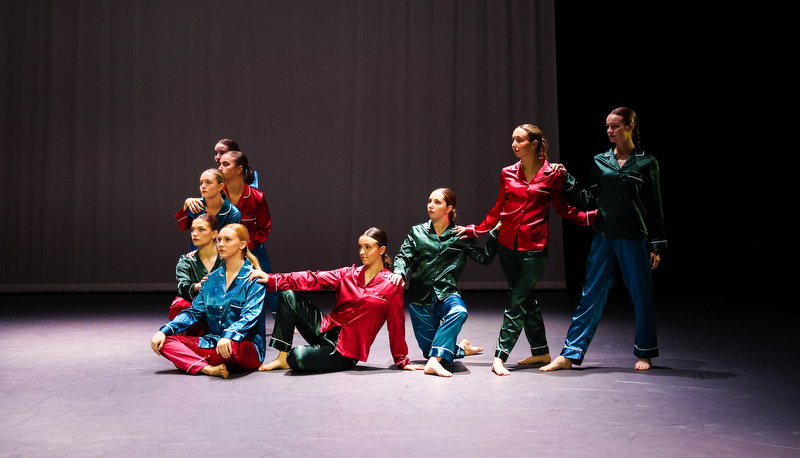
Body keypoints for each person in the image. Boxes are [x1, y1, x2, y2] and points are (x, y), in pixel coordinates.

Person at [456, 124, 595, 376]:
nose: (513, 144)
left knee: (515, 301)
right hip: (507, 245)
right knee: (526, 299)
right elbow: (498, 210)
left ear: (534, 144)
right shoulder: (507, 173)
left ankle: (500, 356)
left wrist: (592, 217)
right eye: (512, 140)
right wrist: (474, 230)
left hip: (534, 249)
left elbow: (563, 208)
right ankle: (541, 350)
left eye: (519, 140)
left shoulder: (553, 174)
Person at [541, 107, 666, 372]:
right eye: (607, 127)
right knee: (591, 294)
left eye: (616, 126)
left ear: (630, 126)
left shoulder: (647, 162)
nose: (610, 131)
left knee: (641, 295)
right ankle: (570, 353)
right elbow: (589, 198)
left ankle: (645, 352)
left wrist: (657, 245)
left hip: (634, 237)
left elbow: (654, 206)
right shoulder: (601, 160)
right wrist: (567, 180)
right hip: (604, 235)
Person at [253, 227, 424, 374]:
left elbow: (396, 324)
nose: (362, 252)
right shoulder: (349, 274)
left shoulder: (391, 286)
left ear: (381, 250)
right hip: (325, 329)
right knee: (289, 295)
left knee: (297, 356)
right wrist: (272, 279)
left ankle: (295, 356)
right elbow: (313, 278)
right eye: (360, 247)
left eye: (368, 247)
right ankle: (282, 356)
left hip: (345, 351)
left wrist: (402, 359)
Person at [391, 188, 497, 377]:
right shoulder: (417, 232)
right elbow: (403, 256)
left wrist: (495, 234)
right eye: (429, 201)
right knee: (433, 351)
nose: (431, 205)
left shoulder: (460, 234)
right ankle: (462, 347)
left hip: (446, 293)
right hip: (419, 298)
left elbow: (484, 258)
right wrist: (399, 272)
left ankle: (432, 363)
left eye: (437, 202)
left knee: (459, 312)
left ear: (449, 208)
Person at [151, 224, 267, 378]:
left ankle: (194, 361)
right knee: (165, 342)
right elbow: (193, 312)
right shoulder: (212, 279)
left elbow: (251, 315)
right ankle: (207, 368)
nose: (221, 244)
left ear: (242, 244)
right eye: (219, 240)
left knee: (229, 348)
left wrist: (229, 335)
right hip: (213, 343)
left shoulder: (254, 278)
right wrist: (164, 330)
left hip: (243, 345)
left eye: (227, 240)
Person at [186, 151, 278, 316]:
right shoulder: (216, 192)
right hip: (219, 248)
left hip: (251, 247)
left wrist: (244, 247)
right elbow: (201, 221)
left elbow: (264, 228)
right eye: (219, 163)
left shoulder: (256, 197)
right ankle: (203, 318)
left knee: (265, 277)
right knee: (209, 280)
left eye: (225, 164)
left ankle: (282, 317)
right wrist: (188, 202)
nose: (220, 167)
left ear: (239, 169)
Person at [168, 214, 224, 328]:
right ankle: (179, 334)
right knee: (179, 303)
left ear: (214, 234)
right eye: (193, 229)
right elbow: (182, 287)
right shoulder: (187, 261)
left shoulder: (226, 260)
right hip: (196, 312)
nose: (194, 233)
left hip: (222, 311)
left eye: (201, 229)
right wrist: (198, 286)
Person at [174, 168, 240, 248]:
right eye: (201, 183)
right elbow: (183, 226)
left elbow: (230, 241)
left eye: (208, 182)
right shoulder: (195, 205)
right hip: (196, 255)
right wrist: (186, 205)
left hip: (222, 256)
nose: (203, 186)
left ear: (220, 186)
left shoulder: (233, 213)